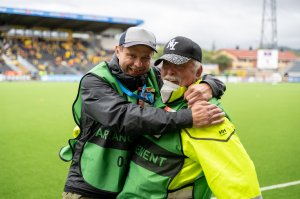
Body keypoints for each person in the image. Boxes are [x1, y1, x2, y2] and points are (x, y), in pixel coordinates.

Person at [60, 27, 226, 199]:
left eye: (145, 58)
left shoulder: (152, 76)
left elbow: (184, 75)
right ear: (118, 51)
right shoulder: (95, 80)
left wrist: (209, 85)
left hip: (127, 187)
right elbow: (124, 117)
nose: (138, 64)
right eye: (131, 55)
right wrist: (188, 117)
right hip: (89, 185)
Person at [117, 36, 262, 199]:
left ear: (198, 72)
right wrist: (211, 84)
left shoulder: (206, 114)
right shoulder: (159, 94)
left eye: (179, 65)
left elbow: (237, 180)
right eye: (166, 64)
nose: (169, 71)